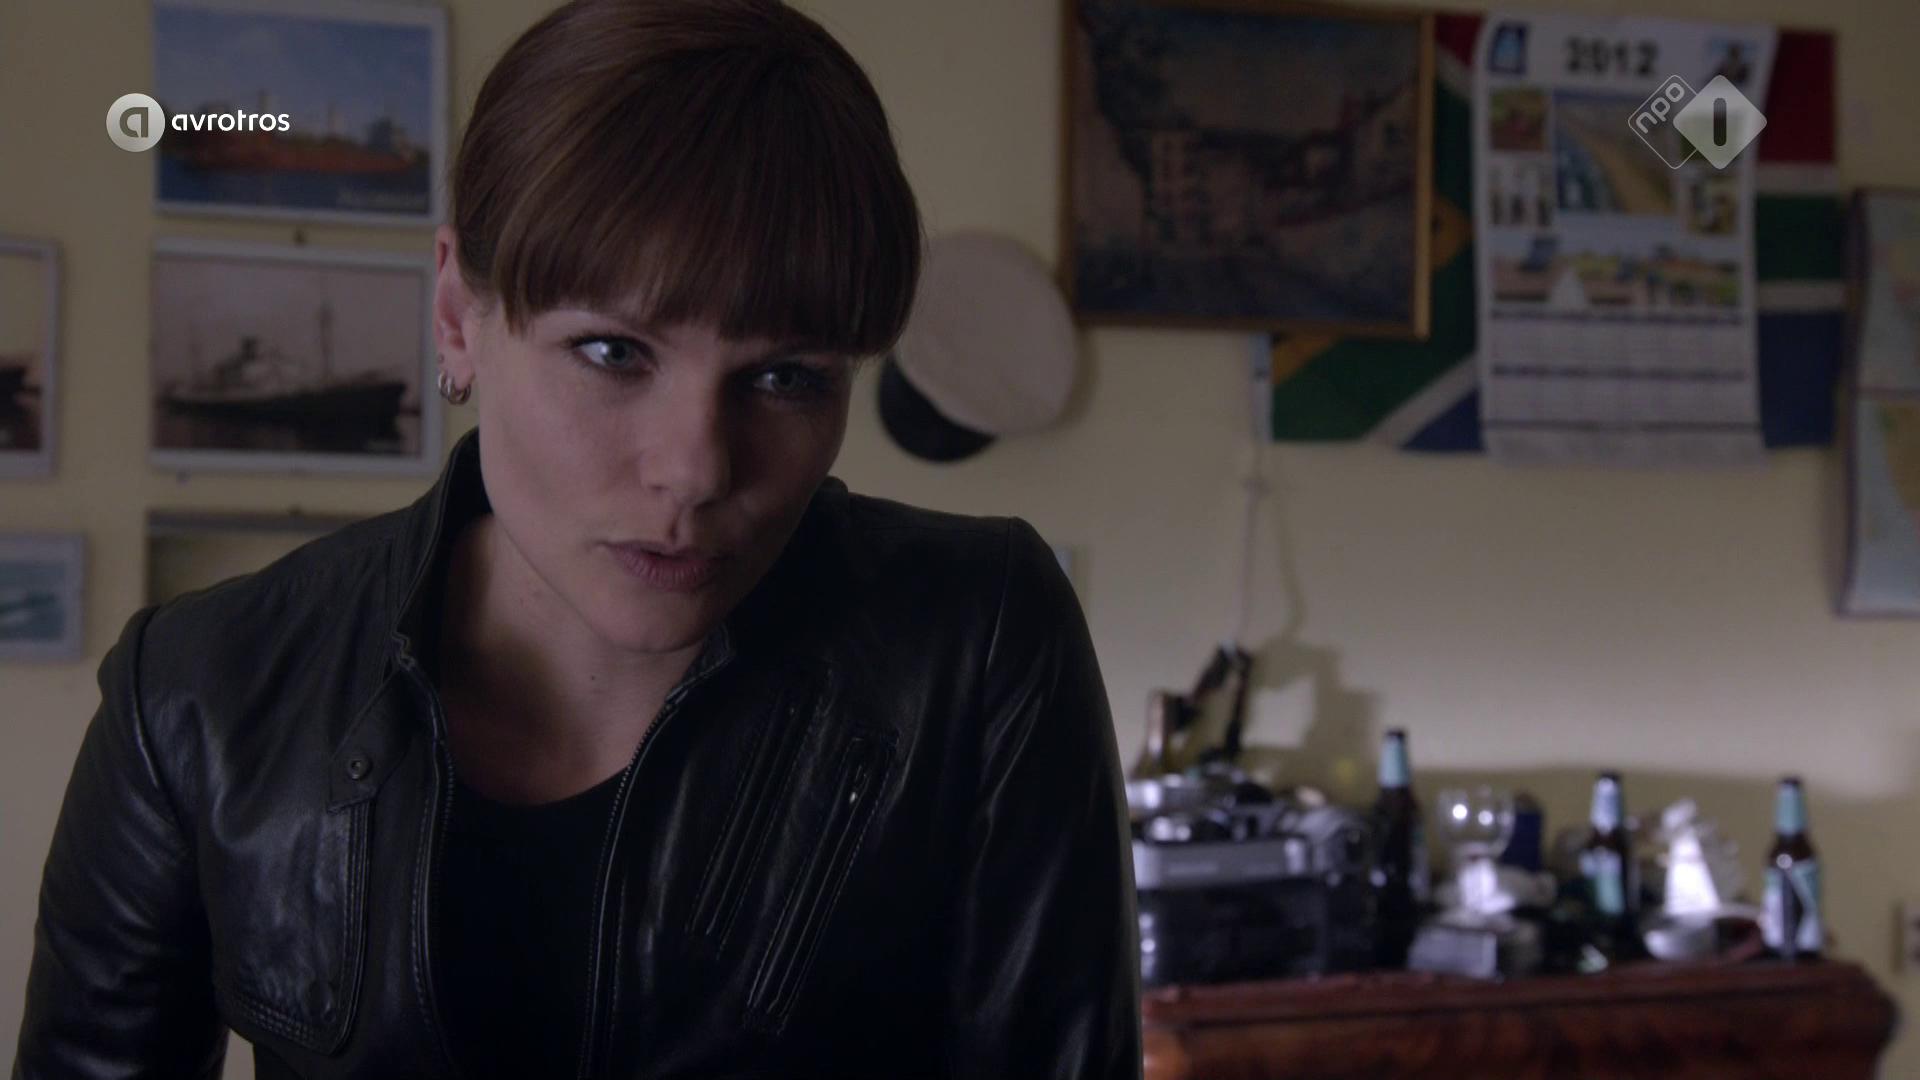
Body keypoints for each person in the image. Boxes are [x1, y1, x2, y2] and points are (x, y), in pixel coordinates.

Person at [11, 1, 1143, 1076]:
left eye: (787, 377)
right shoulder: (196, 698)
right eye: (613, 352)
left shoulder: (978, 645)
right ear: (457, 319)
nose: (696, 470)